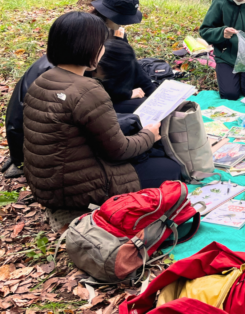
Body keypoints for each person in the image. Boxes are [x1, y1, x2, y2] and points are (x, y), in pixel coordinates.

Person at [22, 12, 180, 214]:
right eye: (101, 43)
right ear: (89, 48)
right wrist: (149, 135)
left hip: (47, 184)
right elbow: (119, 150)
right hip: (78, 191)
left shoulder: (43, 79)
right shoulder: (88, 90)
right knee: (170, 169)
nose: (104, 49)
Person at [3, 0, 155, 178]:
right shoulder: (79, 72)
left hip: (30, 139)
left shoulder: (81, 43)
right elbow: (115, 144)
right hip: (44, 149)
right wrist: (147, 134)